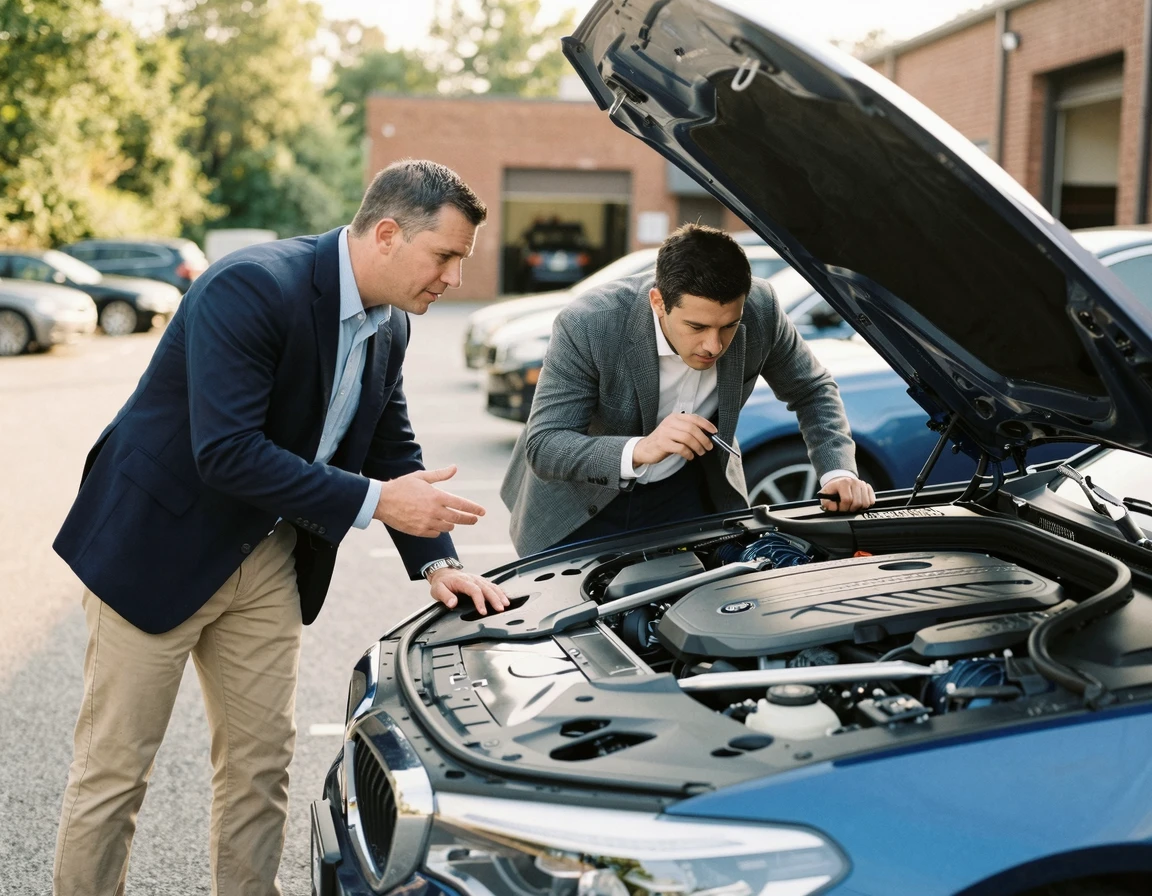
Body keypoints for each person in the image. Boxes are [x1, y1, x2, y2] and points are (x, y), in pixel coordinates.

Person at [51, 159, 509, 896]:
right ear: (388, 234)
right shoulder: (250, 287)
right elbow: (225, 452)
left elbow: (391, 446)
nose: (454, 279)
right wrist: (375, 501)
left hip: (267, 552)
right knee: (114, 774)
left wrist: (436, 562)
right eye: (447, 257)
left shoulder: (390, 324)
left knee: (261, 766)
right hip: (154, 545)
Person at [501, 223, 875, 556]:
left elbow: (812, 389)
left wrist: (837, 473)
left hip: (687, 495)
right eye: (696, 327)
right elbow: (546, 445)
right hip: (580, 506)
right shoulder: (589, 323)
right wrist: (642, 448)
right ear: (658, 302)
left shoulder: (761, 308)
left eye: (728, 326)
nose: (714, 345)